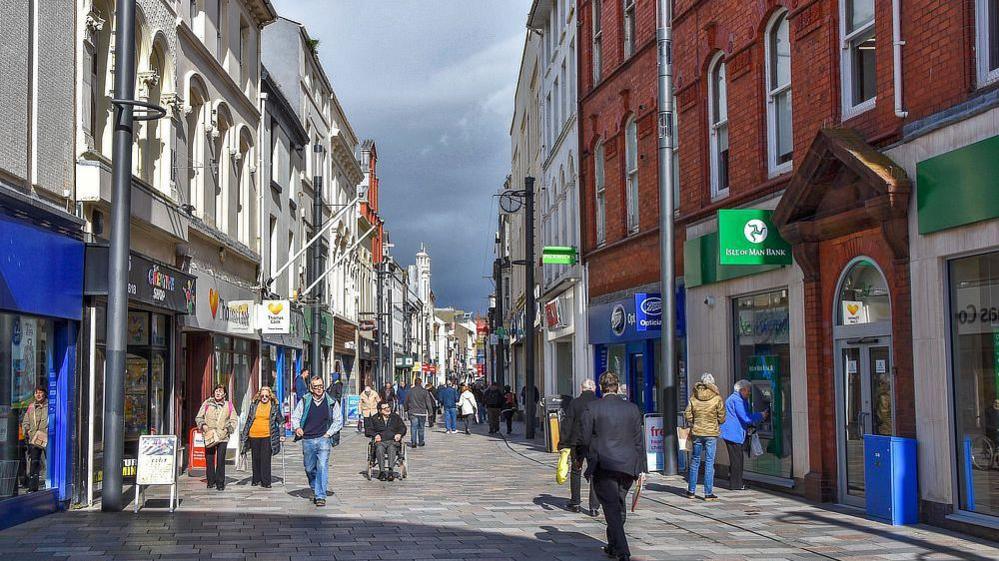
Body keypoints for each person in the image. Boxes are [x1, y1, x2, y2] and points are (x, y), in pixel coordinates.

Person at [581, 372, 643, 561]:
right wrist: (640, 468)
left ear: (601, 387)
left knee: (612, 508)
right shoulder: (632, 409)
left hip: (604, 465)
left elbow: (584, 438)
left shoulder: (592, 408)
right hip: (627, 465)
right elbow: (638, 441)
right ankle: (614, 545)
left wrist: (589, 457)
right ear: (617, 386)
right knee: (618, 504)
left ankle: (622, 550)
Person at [291, 376, 343, 507]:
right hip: (307, 439)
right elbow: (295, 417)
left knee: (322, 466)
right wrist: (297, 428)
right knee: (309, 468)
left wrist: (328, 433)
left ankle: (320, 496)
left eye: (321, 386)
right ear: (311, 388)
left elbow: (338, 420)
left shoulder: (331, 401)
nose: (319, 389)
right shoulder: (305, 400)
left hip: (323, 438)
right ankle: (315, 487)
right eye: (316, 387)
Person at [684, 372, 726, 500]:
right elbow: (722, 416)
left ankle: (691, 491)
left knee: (695, 461)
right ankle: (708, 493)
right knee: (709, 462)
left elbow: (688, 414)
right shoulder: (717, 398)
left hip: (697, 432)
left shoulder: (694, 397)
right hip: (711, 433)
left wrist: (695, 422)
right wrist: (716, 421)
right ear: (712, 383)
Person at [719, 379, 767, 491]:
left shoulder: (736, 399)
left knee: (736, 459)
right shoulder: (737, 400)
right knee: (737, 460)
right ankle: (736, 484)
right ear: (742, 390)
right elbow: (746, 417)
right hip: (733, 434)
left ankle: (736, 482)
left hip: (732, 433)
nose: (749, 393)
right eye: (748, 391)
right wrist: (760, 415)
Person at [560, 379, 599, 515]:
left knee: (576, 471)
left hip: (577, 443)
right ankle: (594, 507)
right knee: (595, 473)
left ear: (581, 389)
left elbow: (567, 423)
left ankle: (575, 503)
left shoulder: (575, 402)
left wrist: (563, 443)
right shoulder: (598, 402)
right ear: (594, 389)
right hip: (594, 443)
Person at [239, 386, 283, 488]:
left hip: (267, 435)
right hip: (253, 434)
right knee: (256, 458)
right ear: (259, 395)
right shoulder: (254, 405)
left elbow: (280, 421)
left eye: (266, 396)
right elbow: (249, 419)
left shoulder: (274, 406)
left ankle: (266, 481)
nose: (264, 397)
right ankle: (256, 479)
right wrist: (244, 434)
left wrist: (282, 434)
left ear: (270, 396)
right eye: (262, 395)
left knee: (266, 459)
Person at [195, 385, 237, 491]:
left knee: (220, 459)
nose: (218, 393)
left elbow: (234, 420)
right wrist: (203, 426)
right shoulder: (207, 403)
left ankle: (220, 482)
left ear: (224, 394)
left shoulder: (229, 405)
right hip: (209, 435)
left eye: (220, 391)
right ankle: (210, 481)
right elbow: (199, 417)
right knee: (209, 459)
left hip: (223, 436)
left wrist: (228, 429)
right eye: (216, 391)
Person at [365, 401, 407, 481]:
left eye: (388, 407)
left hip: (393, 440)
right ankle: (382, 472)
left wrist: (399, 434)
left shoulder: (395, 417)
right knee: (379, 448)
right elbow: (368, 430)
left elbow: (403, 428)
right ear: (380, 411)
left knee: (392, 448)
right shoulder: (374, 418)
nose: (388, 409)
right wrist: (375, 435)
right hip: (380, 441)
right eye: (385, 408)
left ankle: (391, 471)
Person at [21, 387, 48, 492]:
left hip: (47, 438)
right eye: (36, 393)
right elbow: (25, 422)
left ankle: (49, 484)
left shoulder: (49, 406)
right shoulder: (31, 407)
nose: (38, 395)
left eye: (40, 393)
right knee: (34, 463)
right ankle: (33, 488)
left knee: (48, 462)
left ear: (44, 394)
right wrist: (26, 431)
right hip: (34, 439)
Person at [404, 377, 436, 448]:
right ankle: (421, 441)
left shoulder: (410, 391)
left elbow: (406, 401)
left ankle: (413, 442)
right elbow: (428, 402)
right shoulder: (425, 391)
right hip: (422, 412)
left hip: (413, 412)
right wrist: (430, 412)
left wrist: (405, 409)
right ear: (421, 383)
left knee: (413, 427)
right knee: (421, 428)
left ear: (415, 383)